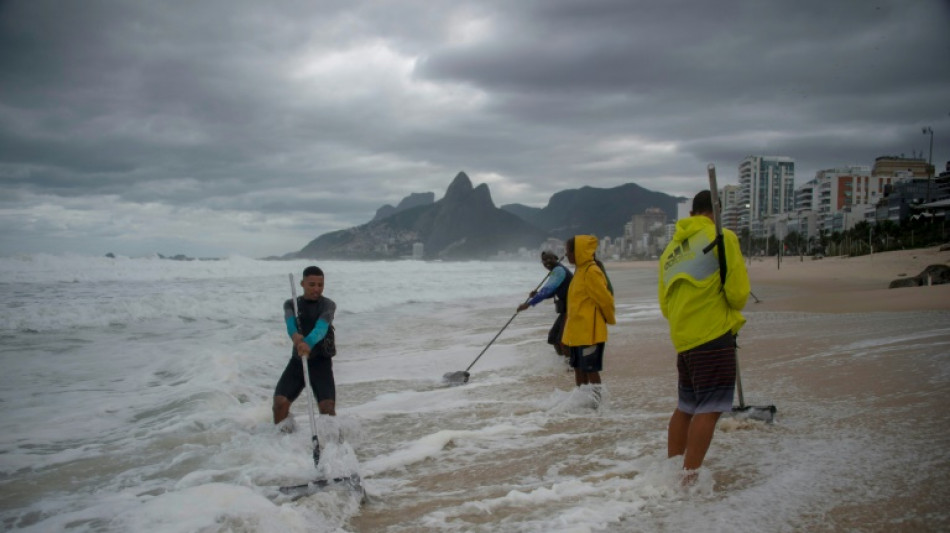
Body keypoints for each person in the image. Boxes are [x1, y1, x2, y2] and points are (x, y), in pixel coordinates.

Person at [658, 190, 750, 483]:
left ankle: (673, 469)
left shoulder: (670, 252)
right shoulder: (722, 237)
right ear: (717, 211)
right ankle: (688, 479)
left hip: (683, 340)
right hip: (712, 335)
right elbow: (738, 295)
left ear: (691, 214)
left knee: (686, 407)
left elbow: (665, 305)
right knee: (709, 409)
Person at [273, 265, 338, 431]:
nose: (316, 289)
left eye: (320, 285)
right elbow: (290, 324)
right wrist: (296, 338)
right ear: (302, 284)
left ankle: (334, 444)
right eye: (312, 284)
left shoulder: (328, 305)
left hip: (321, 362)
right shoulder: (291, 304)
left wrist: (307, 343)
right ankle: (282, 439)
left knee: (327, 409)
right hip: (298, 361)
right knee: (279, 404)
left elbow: (321, 328)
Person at [561, 236, 615, 403]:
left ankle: (597, 404)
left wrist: (608, 319)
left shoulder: (592, 271)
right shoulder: (579, 271)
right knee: (578, 368)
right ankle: (583, 402)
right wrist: (566, 334)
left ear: (577, 251)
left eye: (568, 251)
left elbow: (605, 299)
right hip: (577, 332)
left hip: (590, 332)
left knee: (590, 369)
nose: (566, 255)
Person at [517, 250, 573, 356]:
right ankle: (562, 362)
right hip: (566, 310)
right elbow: (551, 292)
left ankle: (570, 363)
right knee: (553, 338)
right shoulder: (555, 271)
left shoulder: (559, 270)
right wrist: (537, 294)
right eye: (544, 260)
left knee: (562, 340)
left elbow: (547, 290)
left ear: (556, 258)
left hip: (572, 309)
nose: (547, 262)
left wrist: (529, 304)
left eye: (549, 258)